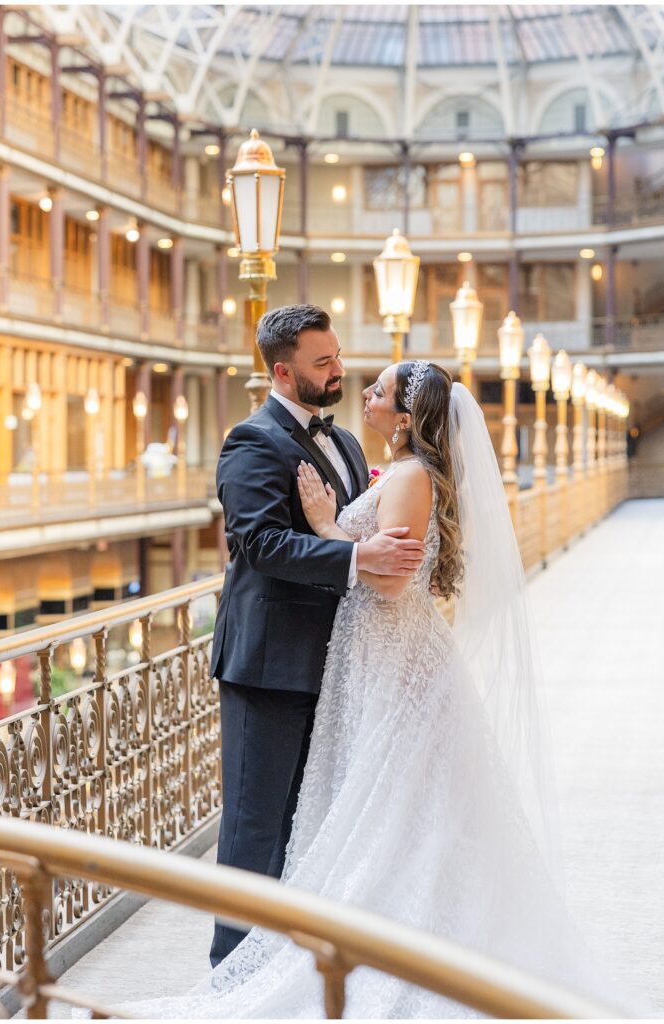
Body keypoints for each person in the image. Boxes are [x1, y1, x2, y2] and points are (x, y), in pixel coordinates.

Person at [121, 359, 638, 1018]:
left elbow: (390, 581)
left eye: (379, 390)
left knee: (392, 804)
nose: (361, 390)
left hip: (391, 653)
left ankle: (396, 947)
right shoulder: (394, 469)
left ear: (403, 416)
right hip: (368, 652)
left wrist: (325, 524)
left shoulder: (410, 475)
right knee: (375, 799)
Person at [208, 305, 426, 966]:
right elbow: (261, 543)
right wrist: (356, 559)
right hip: (269, 667)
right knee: (255, 825)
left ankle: (288, 965)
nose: (338, 371)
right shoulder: (251, 441)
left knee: (316, 821)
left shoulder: (351, 444)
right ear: (282, 370)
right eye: (322, 362)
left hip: (341, 663)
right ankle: (229, 972)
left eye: (336, 357)